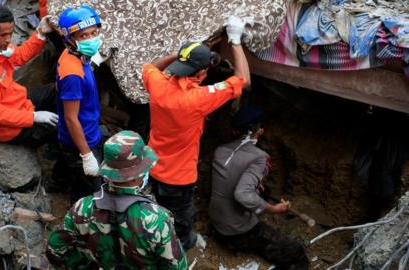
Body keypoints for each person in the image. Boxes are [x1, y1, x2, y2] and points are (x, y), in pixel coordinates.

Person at [141, 15, 250, 249]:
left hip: (153, 166)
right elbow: (243, 80)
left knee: (160, 207)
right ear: (201, 74)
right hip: (178, 178)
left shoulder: (158, 84)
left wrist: (184, 55)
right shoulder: (198, 99)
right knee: (181, 217)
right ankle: (182, 246)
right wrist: (235, 40)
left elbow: (150, 66)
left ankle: (159, 236)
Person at [46, 130, 187, 269]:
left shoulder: (82, 208)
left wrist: (86, 266)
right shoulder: (155, 219)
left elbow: (55, 248)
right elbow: (176, 266)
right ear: (139, 174)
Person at [209, 106, 309, 270]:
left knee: (263, 191)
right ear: (260, 131)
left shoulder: (221, 150)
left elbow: (228, 179)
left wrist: (255, 186)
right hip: (235, 234)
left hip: (216, 223)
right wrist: (274, 209)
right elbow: (241, 194)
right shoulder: (259, 157)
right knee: (296, 252)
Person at [0, 4, 58, 147]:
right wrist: (33, 117)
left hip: (19, 101)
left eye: (11, 33)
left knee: (58, 90)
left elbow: (20, 55)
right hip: (12, 129)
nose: (9, 40)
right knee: (63, 128)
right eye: (3, 35)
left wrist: (40, 33)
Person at [49, 5, 104, 199]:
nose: (91, 38)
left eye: (94, 33)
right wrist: (87, 155)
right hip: (82, 138)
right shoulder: (73, 73)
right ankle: (80, 213)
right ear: (70, 40)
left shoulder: (73, 55)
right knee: (89, 187)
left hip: (75, 133)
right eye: (84, 36)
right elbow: (72, 118)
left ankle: (57, 183)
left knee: (66, 163)